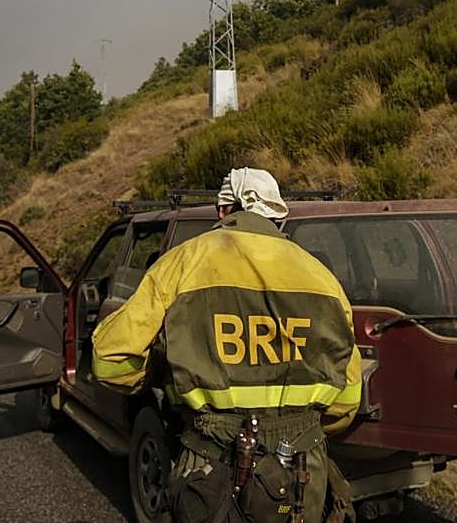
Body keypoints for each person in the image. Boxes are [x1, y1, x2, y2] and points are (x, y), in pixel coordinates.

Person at [92, 167, 362, 522]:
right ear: (278, 217)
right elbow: (346, 400)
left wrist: (164, 372)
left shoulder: (182, 263)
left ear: (223, 211)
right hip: (301, 474)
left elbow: (109, 360)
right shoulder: (323, 279)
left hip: (211, 467)